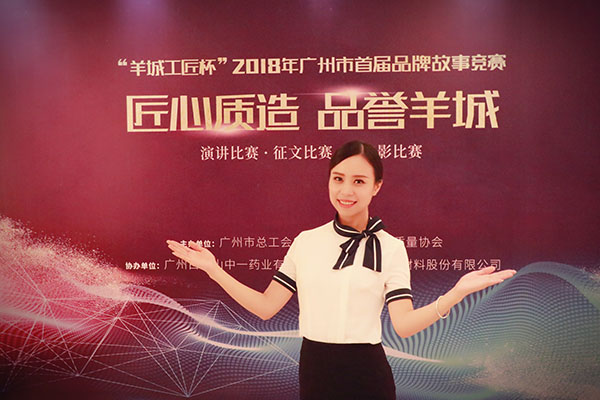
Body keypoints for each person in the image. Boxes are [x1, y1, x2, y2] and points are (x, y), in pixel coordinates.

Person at [167, 140, 516, 400]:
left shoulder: (391, 247)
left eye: (359, 181)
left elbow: (404, 325)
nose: (346, 191)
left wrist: (456, 293)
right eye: (338, 178)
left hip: (368, 370)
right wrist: (214, 269)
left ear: (377, 186)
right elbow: (266, 307)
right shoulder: (306, 242)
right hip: (316, 367)